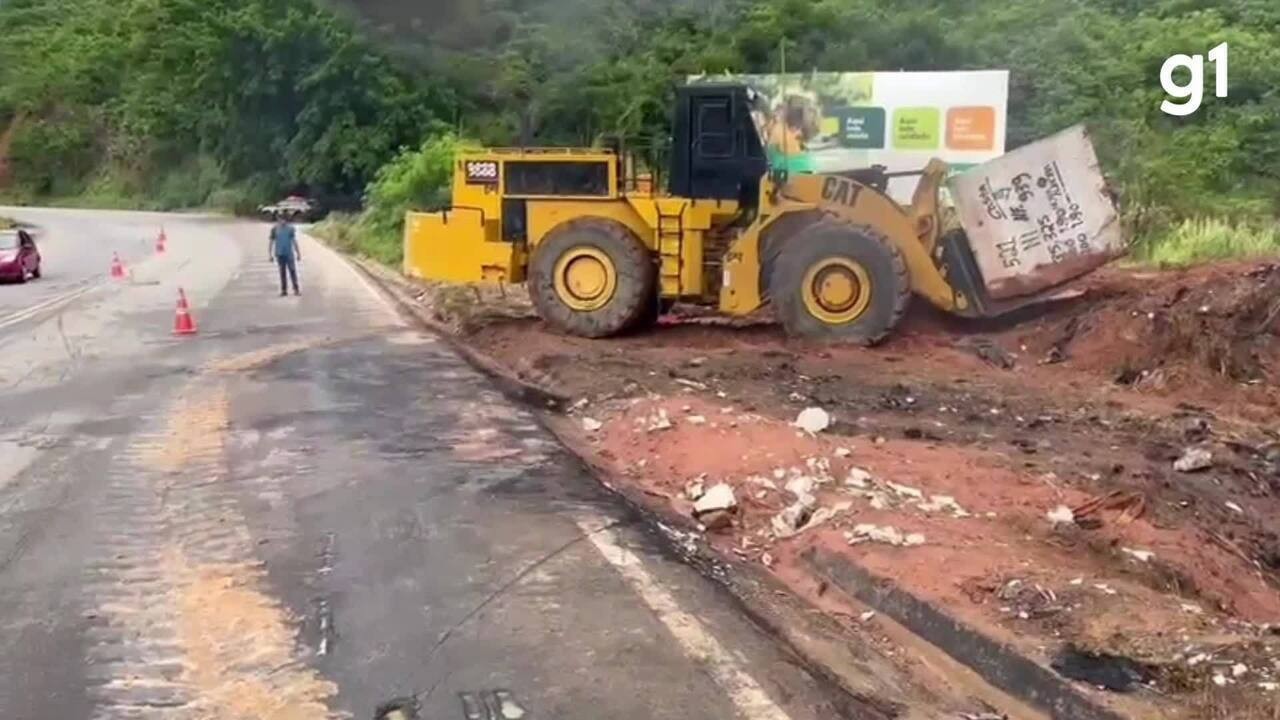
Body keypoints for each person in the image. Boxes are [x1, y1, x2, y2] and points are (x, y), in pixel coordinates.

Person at [268, 213, 301, 296]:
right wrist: (270, 254)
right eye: (280, 219)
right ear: (278, 219)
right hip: (279, 253)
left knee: (292, 271)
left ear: (286, 220)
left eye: (284, 219)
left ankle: (296, 289)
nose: (282, 221)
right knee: (282, 272)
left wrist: (298, 253)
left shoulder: (290, 229)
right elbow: (271, 242)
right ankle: (284, 290)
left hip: (289, 253)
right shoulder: (274, 229)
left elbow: (294, 241)